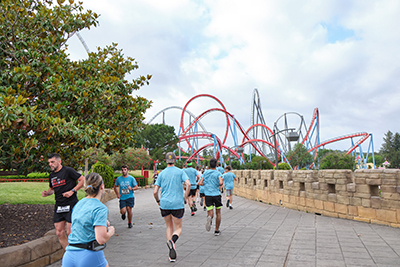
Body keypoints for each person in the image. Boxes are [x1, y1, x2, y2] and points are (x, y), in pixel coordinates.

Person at [62, 172, 115, 267]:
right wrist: (111, 231)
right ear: (102, 186)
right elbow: (101, 239)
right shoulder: (100, 208)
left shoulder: (78, 204)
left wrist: (100, 223)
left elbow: (72, 228)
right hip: (89, 255)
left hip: (69, 255)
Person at [42, 153, 84, 249]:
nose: (50, 164)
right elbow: (52, 189)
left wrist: (72, 191)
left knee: (70, 232)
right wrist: (47, 193)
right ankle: (69, 253)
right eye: (49, 162)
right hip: (59, 205)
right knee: (59, 233)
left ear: (59, 161)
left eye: (52, 162)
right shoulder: (51, 176)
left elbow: (82, 180)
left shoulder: (68, 171)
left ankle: (76, 253)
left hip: (71, 204)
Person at [153, 152, 190, 262]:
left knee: (169, 227)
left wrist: (158, 201)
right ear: (175, 160)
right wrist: (185, 197)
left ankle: (171, 253)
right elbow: (188, 184)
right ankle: (173, 241)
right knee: (178, 228)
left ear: (165, 161)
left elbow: (155, 191)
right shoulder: (180, 172)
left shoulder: (162, 174)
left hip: (165, 203)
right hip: (177, 203)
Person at [198, 158, 224, 236]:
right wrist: (219, 184)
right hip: (216, 195)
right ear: (216, 165)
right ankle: (216, 230)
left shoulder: (205, 173)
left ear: (209, 165)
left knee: (210, 211)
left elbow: (200, 182)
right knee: (218, 213)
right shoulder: (218, 173)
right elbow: (220, 182)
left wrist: (204, 184)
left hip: (208, 195)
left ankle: (210, 217)